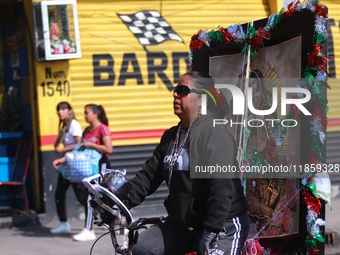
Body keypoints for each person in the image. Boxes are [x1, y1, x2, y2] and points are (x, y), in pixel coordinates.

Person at [123, 71, 250, 255]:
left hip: (223, 224)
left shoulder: (213, 133)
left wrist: (212, 228)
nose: (175, 94)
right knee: (142, 248)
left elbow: (221, 188)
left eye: (182, 90)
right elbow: (147, 178)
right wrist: (119, 200)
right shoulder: (171, 137)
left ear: (202, 98)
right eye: (175, 90)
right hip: (184, 224)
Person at [53, 103, 113, 241]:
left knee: (100, 197)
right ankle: (95, 224)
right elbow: (78, 149)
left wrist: (91, 145)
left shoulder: (102, 129)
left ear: (95, 114)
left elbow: (108, 149)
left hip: (99, 167)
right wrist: (63, 160)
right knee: (89, 197)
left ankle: (91, 229)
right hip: (86, 168)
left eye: (87, 113)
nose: (85, 116)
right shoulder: (87, 130)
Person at [50, 102, 83, 235]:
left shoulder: (74, 124)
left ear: (70, 111)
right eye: (59, 109)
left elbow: (79, 144)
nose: (60, 112)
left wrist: (63, 149)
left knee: (82, 197)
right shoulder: (65, 126)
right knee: (59, 194)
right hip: (67, 164)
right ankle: (64, 223)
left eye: (63, 109)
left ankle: (105, 216)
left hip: (74, 165)